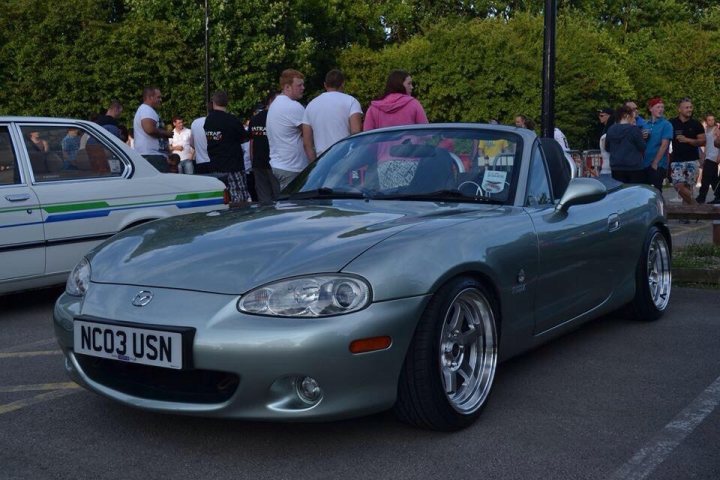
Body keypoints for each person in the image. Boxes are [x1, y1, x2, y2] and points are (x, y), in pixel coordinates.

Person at [302, 69, 362, 162]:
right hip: (346, 158)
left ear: (325, 85)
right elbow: (356, 133)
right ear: (343, 84)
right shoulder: (351, 101)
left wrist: (314, 165)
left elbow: (307, 144)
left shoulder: (311, 105)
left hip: (322, 161)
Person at [204, 90, 251, 203]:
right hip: (233, 165)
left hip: (215, 164)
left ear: (214, 102)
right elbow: (244, 137)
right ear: (227, 102)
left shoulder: (209, 120)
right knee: (238, 197)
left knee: (221, 197)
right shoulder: (231, 120)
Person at [267, 69, 308, 189]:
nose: (303, 88)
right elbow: (310, 133)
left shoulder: (275, 104)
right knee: (294, 205)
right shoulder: (293, 106)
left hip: (279, 164)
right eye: (299, 85)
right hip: (292, 167)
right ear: (287, 87)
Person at [363, 69, 428, 130]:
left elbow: (367, 137)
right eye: (409, 83)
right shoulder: (414, 104)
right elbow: (425, 131)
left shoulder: (373, 109)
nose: (412, 87)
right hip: (410, 142)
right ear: (399, 84)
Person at [669, 97, 705, 205]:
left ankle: (687, 215)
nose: (689, 109)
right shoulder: (671, 123)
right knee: (678, 185)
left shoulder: (696, 124)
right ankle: (696, 207)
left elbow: (703, 141)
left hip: (692, 160)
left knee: (688, 188)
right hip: (677, 160)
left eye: (690, 107)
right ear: (679, 109)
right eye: (686, 107)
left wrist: (687, 140)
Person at [133, 87, 173, 172]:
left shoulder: (146, 110)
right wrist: (166, 133)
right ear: (150, 97)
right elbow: (149, 129)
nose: (160, 99)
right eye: (158, 97)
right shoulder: (146, 110)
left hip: (151, 155)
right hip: (152, 156)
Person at [249, 92, 278, 203]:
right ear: (271, 101)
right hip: (273, 162)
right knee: (278, 195)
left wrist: (253, 159)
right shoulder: (276, 117)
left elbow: (252, 141)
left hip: (258, 161)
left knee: (264, 197)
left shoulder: (254, 119)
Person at [605, 105, 646, 184]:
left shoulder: (611, 129)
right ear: (626, 116)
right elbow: (642, 147)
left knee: (620, 192)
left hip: (616, 167)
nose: (633, 119)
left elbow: (607, 147)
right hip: (634, 167)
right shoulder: (634, 129)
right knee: (634, 192)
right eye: (632, 116)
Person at [641, 97, 673, 191]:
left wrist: (655, 162)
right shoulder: (645, 124)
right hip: (644, 162)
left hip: (658, 164)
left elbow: (664, 145)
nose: (661, 109)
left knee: (657, 190)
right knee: (644, 190)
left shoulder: (666, 124)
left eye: (662, 107)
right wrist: (642, 137)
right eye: (658, 107)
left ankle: (660, 205)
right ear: (651, 109)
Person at [696, 113, 719, 203]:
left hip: (713, 157)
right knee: (714, 179)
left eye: (713, 119)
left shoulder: (716, 130)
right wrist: (703, 157)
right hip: (708, 157)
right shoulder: (706, 131)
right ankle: (718, 197)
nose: (711, 121)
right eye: (709, 120)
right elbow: (707, 145)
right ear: (706, 121)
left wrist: (719, 156)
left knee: (706, 178)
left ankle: (701, 197)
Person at [189, 103, 212, 175]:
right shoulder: (217, 122)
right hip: (214, 162)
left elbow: (191, 143)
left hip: (200, 162)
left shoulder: (195, 122)